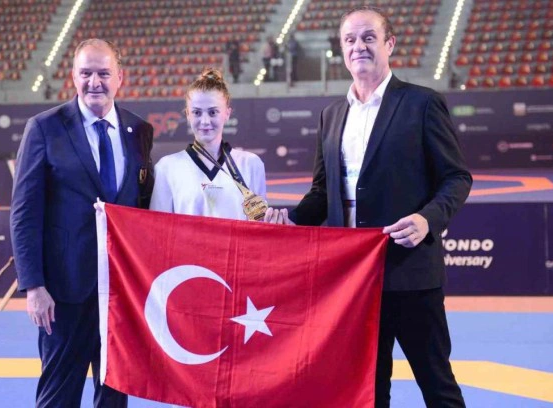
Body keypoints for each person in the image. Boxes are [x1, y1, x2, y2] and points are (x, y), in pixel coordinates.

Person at [265, 6, 470, 407]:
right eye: (350, 39)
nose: (359, 46)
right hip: (353, 282)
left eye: (368, 37)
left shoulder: (422, 103)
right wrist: (289, 219)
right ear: (342, 49)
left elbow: (457, 178)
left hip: (410, 274)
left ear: (389, 44)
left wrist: (427, 220)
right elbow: (323, 193)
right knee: (369, 392)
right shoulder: (330, 116)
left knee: (438, 387)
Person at [10, 38, 154, 408]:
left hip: (121, 294)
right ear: (73, 77)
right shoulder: (44, 128)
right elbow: (24, 213)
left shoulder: (139, 131)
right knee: (58, 398)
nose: (94, 82)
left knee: (114, 398)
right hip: (63, 294)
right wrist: (34, 286)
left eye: (103, 73)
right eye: (86, 73)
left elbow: (144, 208)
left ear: (120, 78)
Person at [150, 68, 266, 220]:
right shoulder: (166, 168)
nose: (205, 121)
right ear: (187, 114)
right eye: (197, 113)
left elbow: (259, 226)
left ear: (227, 113)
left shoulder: (251, 164)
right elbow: (159, 227)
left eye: (213, 112)